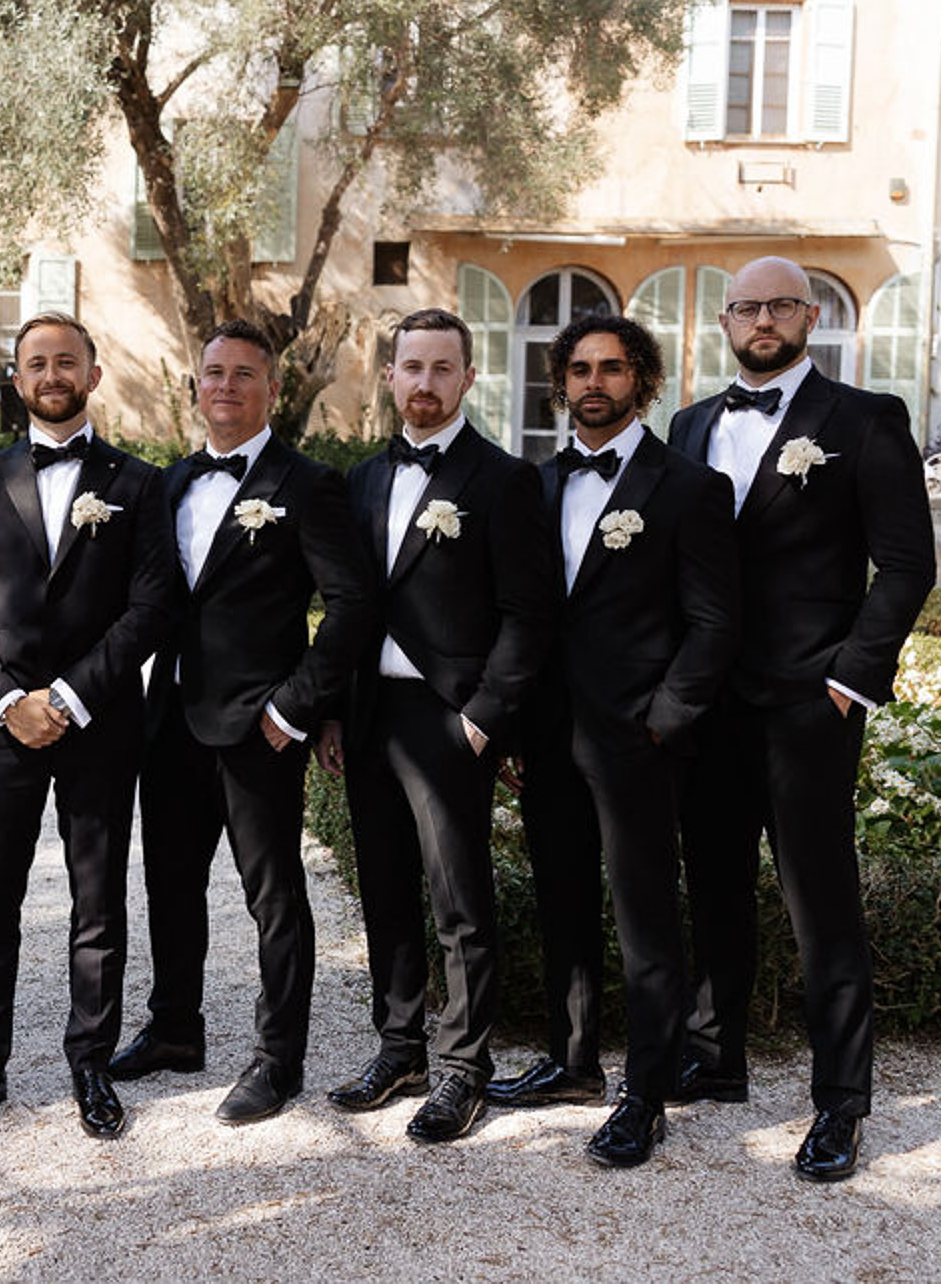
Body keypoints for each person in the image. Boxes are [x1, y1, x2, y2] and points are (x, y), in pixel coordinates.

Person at [668, 255, 935, 1181]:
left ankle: (841, 1102)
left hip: (809, 702)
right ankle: (713, 1059)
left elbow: (906, 564)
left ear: (810, 314)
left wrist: (851, 678)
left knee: (820, 903)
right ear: (725, 320)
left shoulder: (863, 421)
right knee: (714, 887)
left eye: (781, 304)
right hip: (709, 705)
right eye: (746, 306)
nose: (763, 319)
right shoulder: (690, 425)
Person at [109, 319, 376, 1125]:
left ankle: (277, 1059)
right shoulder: (172, 480)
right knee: (170, 886)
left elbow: (353, 605)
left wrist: (296, 706)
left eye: (243, 375)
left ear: (271, 390)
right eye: (213, 373)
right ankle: (174, 1029)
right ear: (197, 387)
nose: (225, 386)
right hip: (171, 721)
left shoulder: (309, 484)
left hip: (259, 728)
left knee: (274, 898)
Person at [488, 314, 739, 1168]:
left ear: (643, 380)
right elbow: (526, 619)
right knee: (562, 900)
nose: (595, 383)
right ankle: (569, 1061)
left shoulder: (689, 487)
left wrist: (668, 718)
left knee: (644, 919)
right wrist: (517, 726)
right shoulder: (537, 483)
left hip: (641, 740)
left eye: (614, 369)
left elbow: (713, 625)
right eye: (581, 370)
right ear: (561, 383)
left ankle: (648, 1091)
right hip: (551, 737)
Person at [0, 311, 182, 1141]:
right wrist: (11, 701)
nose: (51, 374)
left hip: (98, 720)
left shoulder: (138, 483)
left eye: (65, 361)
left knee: (97, 901)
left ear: (92, 374)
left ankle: (90, 1063)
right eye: (35, 362)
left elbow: (151, 606)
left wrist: (70, 698)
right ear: (16, 378)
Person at [316, 307, 554, 1144]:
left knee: (458, 900)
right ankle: (400, 1045)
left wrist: (486, 719)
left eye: (441, 368)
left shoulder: (503, 479)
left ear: (467, 379)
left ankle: (463, 1067)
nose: (424, 383)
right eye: (410, 367)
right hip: (371, 712)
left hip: (450, 720)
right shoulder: (362, 480)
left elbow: (530, 616)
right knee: (383, 888)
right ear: (390, 377)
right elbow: (350, 609)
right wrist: (337, 714)